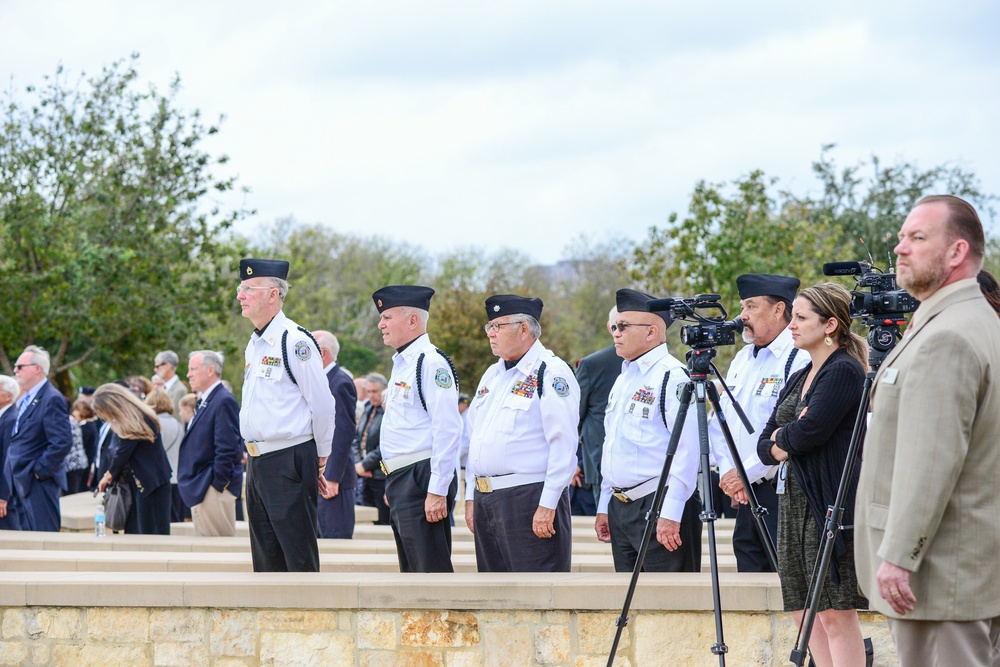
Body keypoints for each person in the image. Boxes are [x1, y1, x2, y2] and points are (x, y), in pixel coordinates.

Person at [856, 195, 1000, 666]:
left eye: (917, 238)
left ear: (957, 252)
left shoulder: (948, 337)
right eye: (901, 237)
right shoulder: (973, 321)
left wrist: (899, 556)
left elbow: (930, 461)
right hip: (961, 566)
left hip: (938, 574)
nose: (900, 249)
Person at [756, 282, 869, 666]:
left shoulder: (843, 371)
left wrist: (783, 438)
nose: (792, 325)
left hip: (826, 505)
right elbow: (764, 443)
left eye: (802, 318)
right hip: (792, 502)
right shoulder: (802, 373)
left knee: (835, 613)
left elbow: (808, 433)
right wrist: (782, 439)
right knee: (804, 613)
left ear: (830, 324)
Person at [465, 294, 580, 572]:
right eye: (489, 327)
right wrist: (471, 496)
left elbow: (563, 444)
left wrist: (548, 503)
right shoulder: (492, 375)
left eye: (498, 326)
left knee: (537, 594)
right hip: (487, 500)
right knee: (495, 596)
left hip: (528, 499)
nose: (490, 334)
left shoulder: (550, 372)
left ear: (524, 329)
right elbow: (475, 438)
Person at [237, 258, 335, 572]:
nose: (241, 295)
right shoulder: (254, 344)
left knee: (297, 557)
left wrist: (321, 455)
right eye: (241, 288)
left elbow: (322, 404)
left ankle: (311, 621)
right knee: (266, 559)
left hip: (288, 459)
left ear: (273, 295)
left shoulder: (295, 341)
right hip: (257, 461)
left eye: (249, 288)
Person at [594, 289, 702, 572]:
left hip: (659, 504)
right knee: (632, 610)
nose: (615, 333)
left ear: (652, 332)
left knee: (671, 605)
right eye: (615, 326)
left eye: (623, 326)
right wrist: (605, 504)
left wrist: (671, 511)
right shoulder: (624, 377)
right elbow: (612, 445)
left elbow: (687, 452)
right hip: (622, 507)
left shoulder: (672, 376)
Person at [712, 273, 809, 572]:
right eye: (743, 307)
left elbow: (794, 429)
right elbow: (720, 420)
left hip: (782, 492)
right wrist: (731, 471)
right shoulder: (743, 358)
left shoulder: (798, 357)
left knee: (792, 586)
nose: (743, 316)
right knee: (749, 582)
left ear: (779, 310)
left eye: (751, 307)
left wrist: (747, 473)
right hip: (745, 494)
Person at [373, 285, 462, 573]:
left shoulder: (430, 362)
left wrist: (436, 490)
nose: (380, 324)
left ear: (412, 320)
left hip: (422, 477)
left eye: (387, 317)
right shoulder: (403, 363)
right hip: (403, 478)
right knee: (411, 575)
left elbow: (447, 429)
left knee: (430, 573)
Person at [5, 345, 73, 531]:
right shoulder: (26, 399)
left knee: (44, 537)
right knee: (27, 540)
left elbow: (62, 442)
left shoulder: (51, 398)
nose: (15, 370)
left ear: (37, 368)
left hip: (38, 482)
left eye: (20, 366)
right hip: (19, 479)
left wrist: (39, 471)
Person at [178, 351, 243, 537]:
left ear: (210, 370)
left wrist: (217, 484)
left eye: (193, 369)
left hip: (213, 488)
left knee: (218, 551)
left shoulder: (223, 401)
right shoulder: (207, 400)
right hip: (203, 486)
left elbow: (228, 448)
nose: (188, 374)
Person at [93, 383, 173, 535]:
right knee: (137, 532)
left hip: (151, 485)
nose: (105, 418)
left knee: (151, 534)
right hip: (141, 485)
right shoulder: (139, 417)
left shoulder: (137, 420)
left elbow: (122, 454)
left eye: (103, 413)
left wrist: (107, 476)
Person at [314, 330, 359, 539]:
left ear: (323, 353)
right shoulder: (321, 381)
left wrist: (331, 477)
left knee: (334, 539)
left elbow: (344, 432)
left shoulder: (340, 382)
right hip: (321, 475)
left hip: (334, 480)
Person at [576, 307, 621, 509]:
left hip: (600, 457)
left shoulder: (591, 364)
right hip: (601, 461)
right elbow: (574, 414)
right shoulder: (591, 364)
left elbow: (576, 415)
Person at [354, 373, 389, 525]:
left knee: (384, 519)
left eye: (375, 391)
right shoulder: (368, 409)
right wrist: (359, 464)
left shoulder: (388, 411)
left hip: (381, 475)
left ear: (384, 389)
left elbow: (385, 444)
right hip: (365, 475)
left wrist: (365, 464)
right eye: (368, 392)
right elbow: (357, 439)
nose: (372, 395)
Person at [145, 389, 184, 525]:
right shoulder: (178, 424)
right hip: (176, 476)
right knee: (176, 519)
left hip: (158, 478)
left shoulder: (152, 424)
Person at [0, 375, 22, 529]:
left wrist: (3, 496)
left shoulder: (11, 419)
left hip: (5, 494)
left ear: (8, 396)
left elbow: (7, 459)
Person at [154, 351, 189, 415]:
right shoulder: (160, 387)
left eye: (157, 366)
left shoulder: (180, 390)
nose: (155, 369)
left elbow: (176, 417)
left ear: (168, 366)